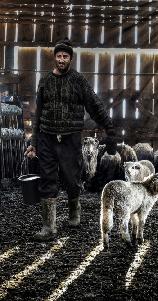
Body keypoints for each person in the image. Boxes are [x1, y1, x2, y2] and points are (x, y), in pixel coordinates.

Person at [24, 38, 116, 241]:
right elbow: (38, 114)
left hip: (70, 138)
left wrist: (109, 128)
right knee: (47, 180)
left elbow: (95, 105)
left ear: (71, 59)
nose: (62, 59)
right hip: (47, 137)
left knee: (72, 179)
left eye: (65, 56)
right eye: (59, 56)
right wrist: (34, 143)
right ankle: (49, 227)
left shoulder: (78, 81)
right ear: (54, 58)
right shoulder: (45, 81)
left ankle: (74, 212)